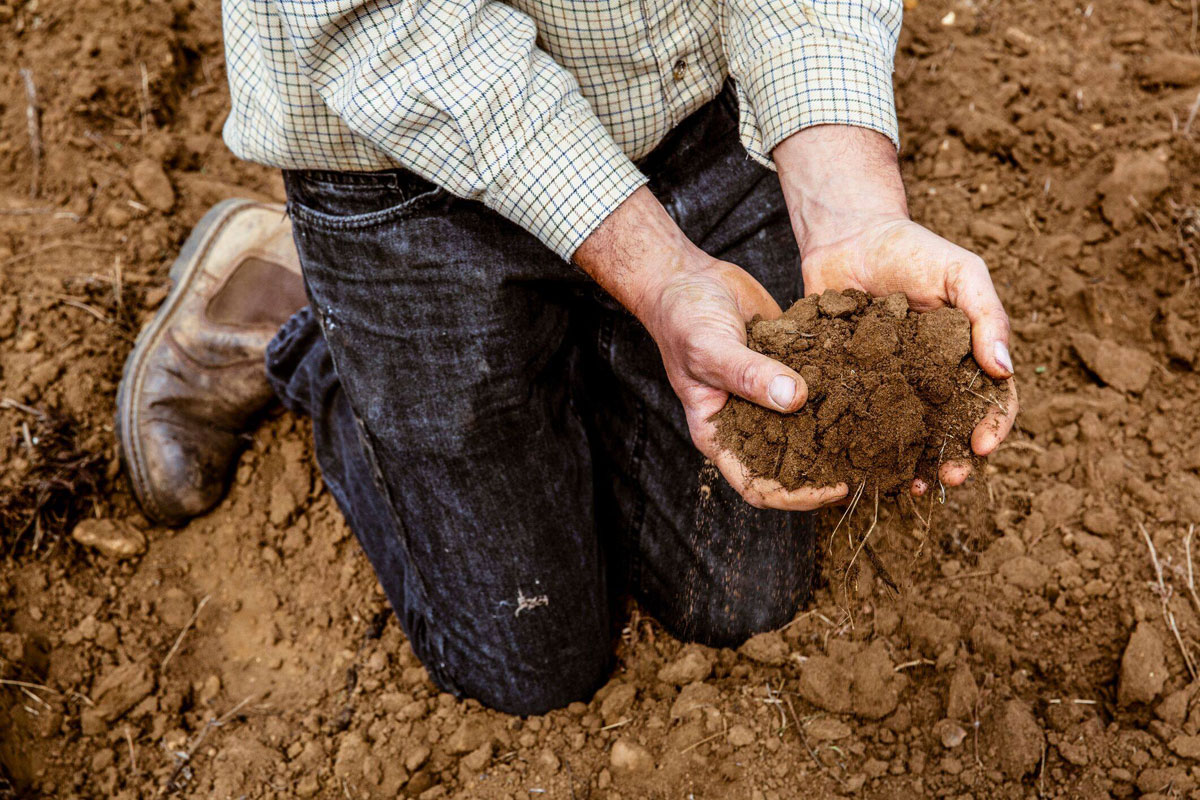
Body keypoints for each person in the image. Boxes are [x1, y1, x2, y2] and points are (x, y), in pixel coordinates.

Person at [117, 0, 1018, 714]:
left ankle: (576, 349)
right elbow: (378, 20)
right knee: (531, 665)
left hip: (687, 113)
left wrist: (851, 207)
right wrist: (657, 276)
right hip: (405, 170)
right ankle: (304, 328)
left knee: (738, 601)